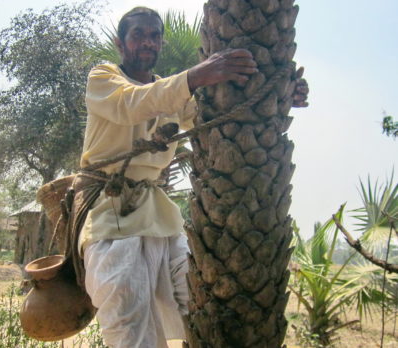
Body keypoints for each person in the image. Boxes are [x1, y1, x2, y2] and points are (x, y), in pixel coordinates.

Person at [77, 7, 307, 348]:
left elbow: (211, 118)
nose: (147, 42)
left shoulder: (172, 94)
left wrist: (278, 94)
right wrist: (196, 77)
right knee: (124, 307)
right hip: (110, 212)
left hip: (159, 215)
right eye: (138, 34)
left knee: (196, 290)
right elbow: (131, 105)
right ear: (120, 43)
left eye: (154, 36)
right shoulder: (103, 78)